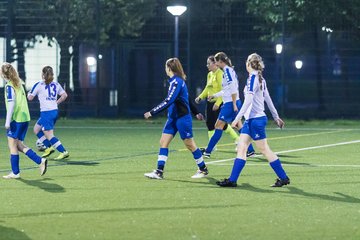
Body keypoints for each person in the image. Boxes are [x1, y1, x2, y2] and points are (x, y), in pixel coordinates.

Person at [216, 53, 290, 187]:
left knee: (264, 150)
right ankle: (232, 180)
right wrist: (276, 116)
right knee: (242, 147)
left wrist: (237, 118)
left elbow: (249, 101)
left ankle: (284, 177)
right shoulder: (260, 79)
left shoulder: (253, 79)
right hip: (251, 120)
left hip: (255, 121)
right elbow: (268, 99)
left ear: (249, 64)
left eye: (246, 61)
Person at [144, 58, 208, 179]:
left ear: (169, 68)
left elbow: (169, 100)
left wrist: (152, 112)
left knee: (190, 144)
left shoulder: (177, 82)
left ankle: (203, 169)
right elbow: (187, 99)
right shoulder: (175, 81)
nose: (165, 70)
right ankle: (159, 171)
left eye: (166, 67)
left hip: (182, 119)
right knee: (163, 142)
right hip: (173, 118)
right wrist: (196, 112)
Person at [200, 52, 255, 158]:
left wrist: (234, 104)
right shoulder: (229, 70)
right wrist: (214, 95)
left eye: (216, 62)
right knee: (239, 126)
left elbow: (233, 89)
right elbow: (227, 90)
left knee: (218, 126)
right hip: (233, 102)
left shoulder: (227, 71)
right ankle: (251, 150)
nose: (215, 64)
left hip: (230, 104)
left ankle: (208, 151)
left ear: (221, 62)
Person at [1, 62, 48, 179]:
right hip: (24, 117)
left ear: (3, 74)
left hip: (16, 119)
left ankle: (15, 173)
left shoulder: (9, 86)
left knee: (12, 145)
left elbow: (11, 104)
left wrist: (7, 121)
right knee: (18, 145)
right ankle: (40, 160)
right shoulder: (18, 83)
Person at [195, 56, 241, 150]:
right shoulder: (209, 74)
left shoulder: (222, 73)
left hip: (221, 102)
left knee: (222, 124)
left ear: (215, 63)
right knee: (210, 123)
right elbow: (207, 88)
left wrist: (218, 102)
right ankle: (212, 146)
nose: (207, 65)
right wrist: (200, 97)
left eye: (209, 63)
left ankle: (238, 140)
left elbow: (225, 90)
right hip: (210, 102)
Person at [27, 66, 69, 160]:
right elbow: (64, 95)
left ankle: (63, 151)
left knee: (49, 135)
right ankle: (49, 148)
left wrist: (29, 93)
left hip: (46, 113)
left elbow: (30, 98)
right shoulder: (56, 84)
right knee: (36, 129)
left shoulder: (39, 84)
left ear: (42, 74)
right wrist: (56, 103)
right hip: (54, 111)